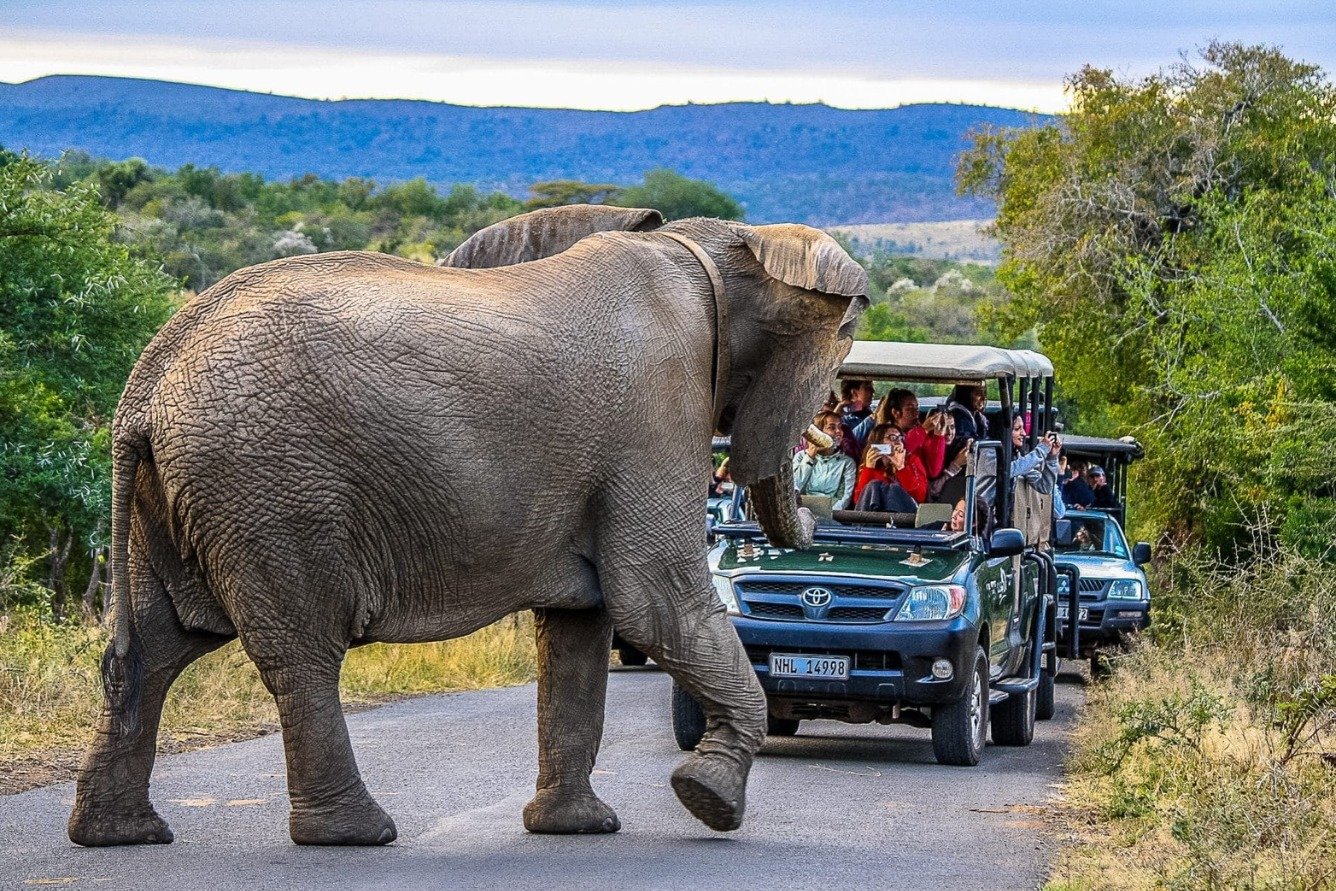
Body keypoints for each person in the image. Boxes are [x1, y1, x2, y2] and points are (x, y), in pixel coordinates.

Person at [792, 410, 857, 510]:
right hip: (802, 510)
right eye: (832, 427)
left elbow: (844, 498)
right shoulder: (800, 457)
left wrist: (828, 513)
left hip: (831, 513)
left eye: (840, 427)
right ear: (818, 433)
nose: (838, 431)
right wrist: (809, 458)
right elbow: (795, 487)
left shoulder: (847, 463)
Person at [906, 406, 951, 478]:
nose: (949, 432)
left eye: (952, 427)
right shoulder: (924, 443)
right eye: (944, 425)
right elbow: (933, 472)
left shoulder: (959, 445)